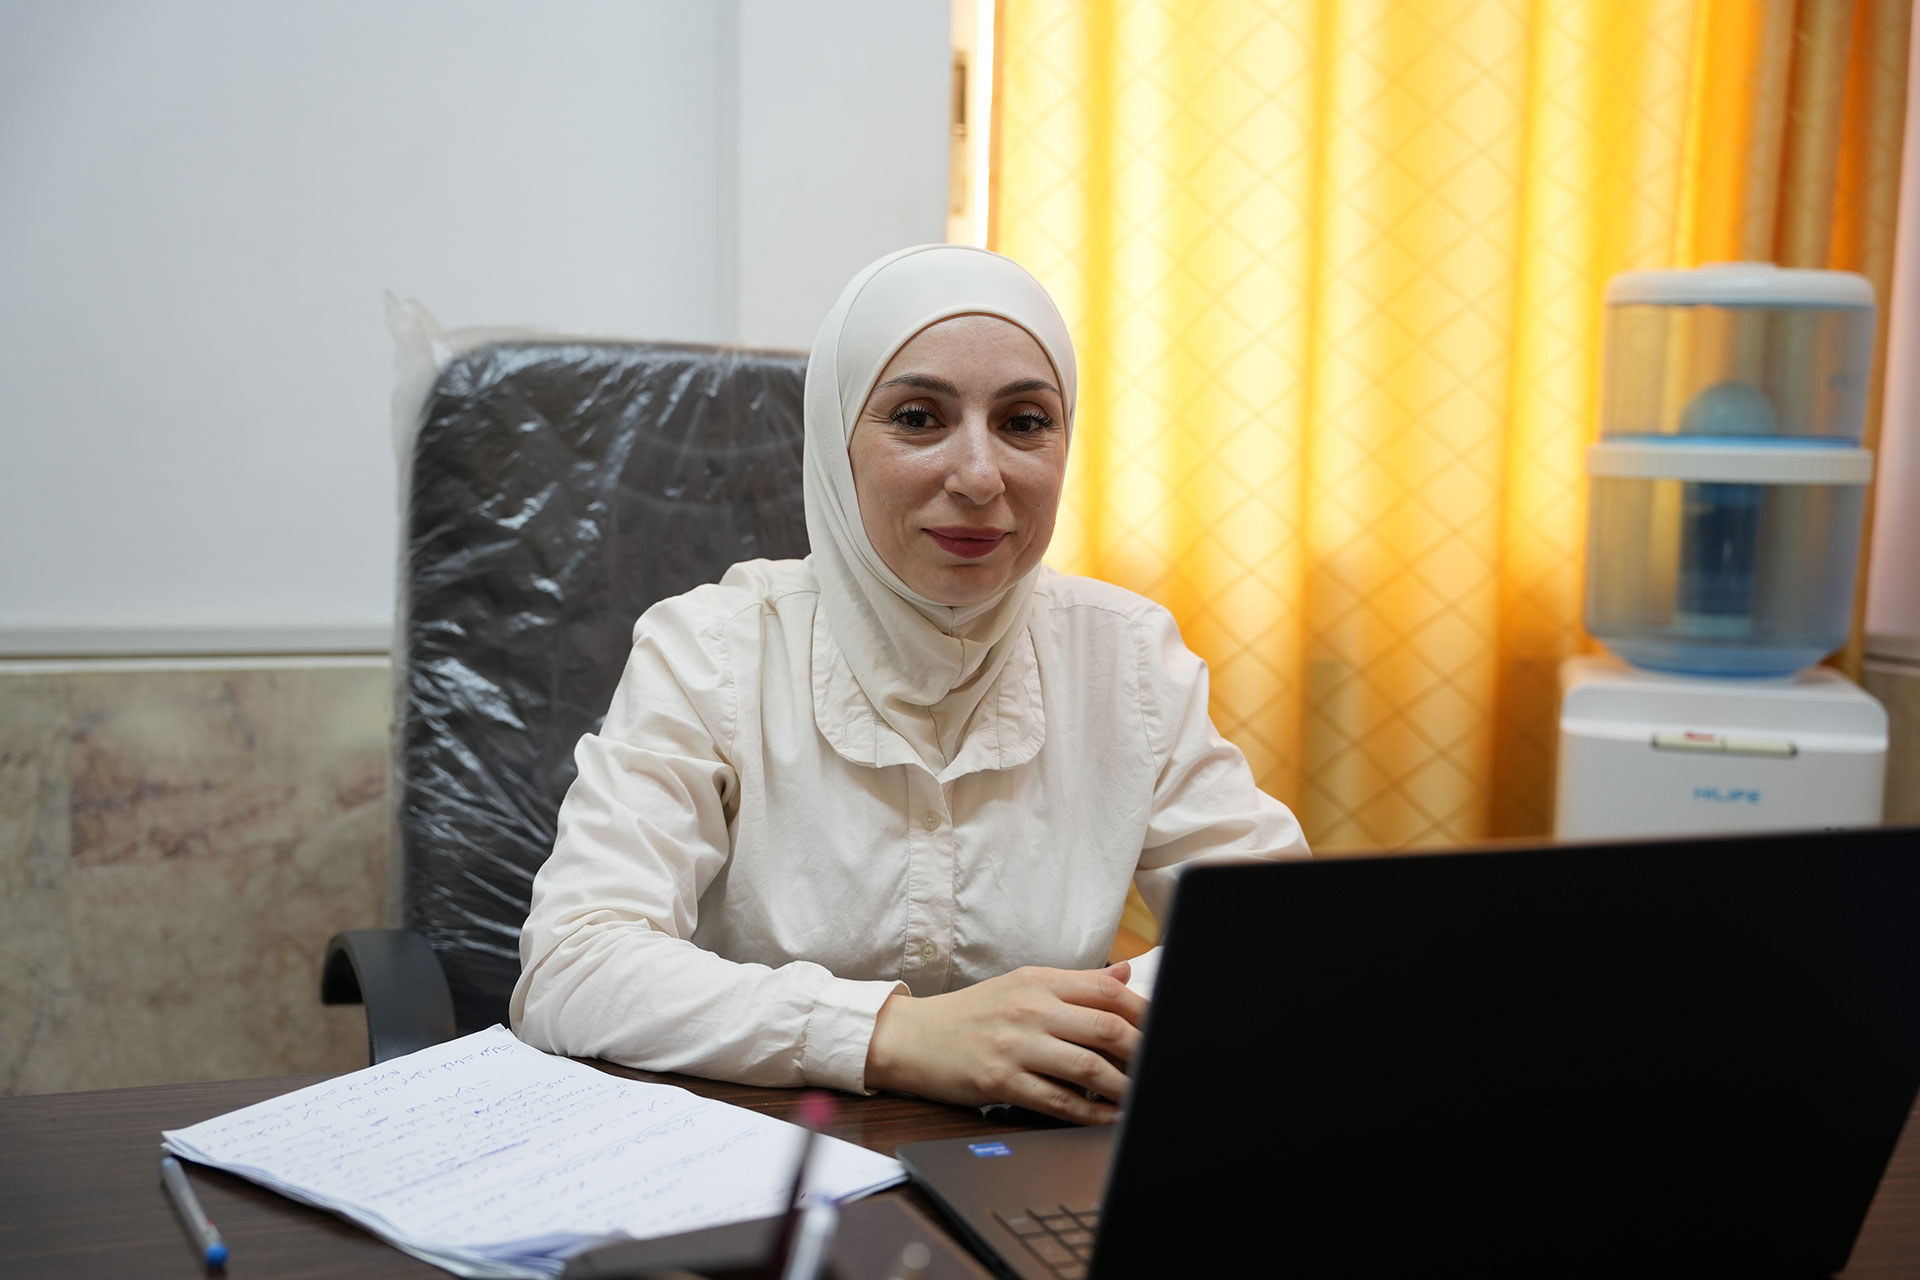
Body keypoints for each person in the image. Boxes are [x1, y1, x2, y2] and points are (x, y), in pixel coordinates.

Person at [511, 245, 1307, 1124]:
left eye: (1026, 422)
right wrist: (895, 1034)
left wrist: (1086, 1023)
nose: (979, 475)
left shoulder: (1125, 656)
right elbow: (574, 967)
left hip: (1036, 1150)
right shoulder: (711, 650)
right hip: (759, 1155)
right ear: (835, 443)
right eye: (920, 418)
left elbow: (1278, 934)